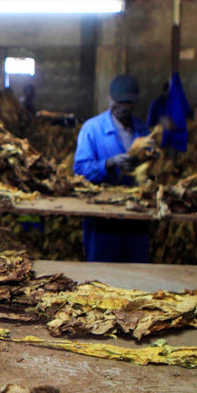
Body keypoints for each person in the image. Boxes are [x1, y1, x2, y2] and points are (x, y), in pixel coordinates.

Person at [73, 74, 151, 263]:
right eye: (120, 102)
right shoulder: (92, 129)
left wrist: (148, 159)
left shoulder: (141, 129)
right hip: (103, 219)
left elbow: (151, 170)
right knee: (103, 275)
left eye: (128, 103)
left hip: (136, 216)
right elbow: (80, 170)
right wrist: (109, 163)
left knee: (137, 275)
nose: (124, 107)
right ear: (109, 98)